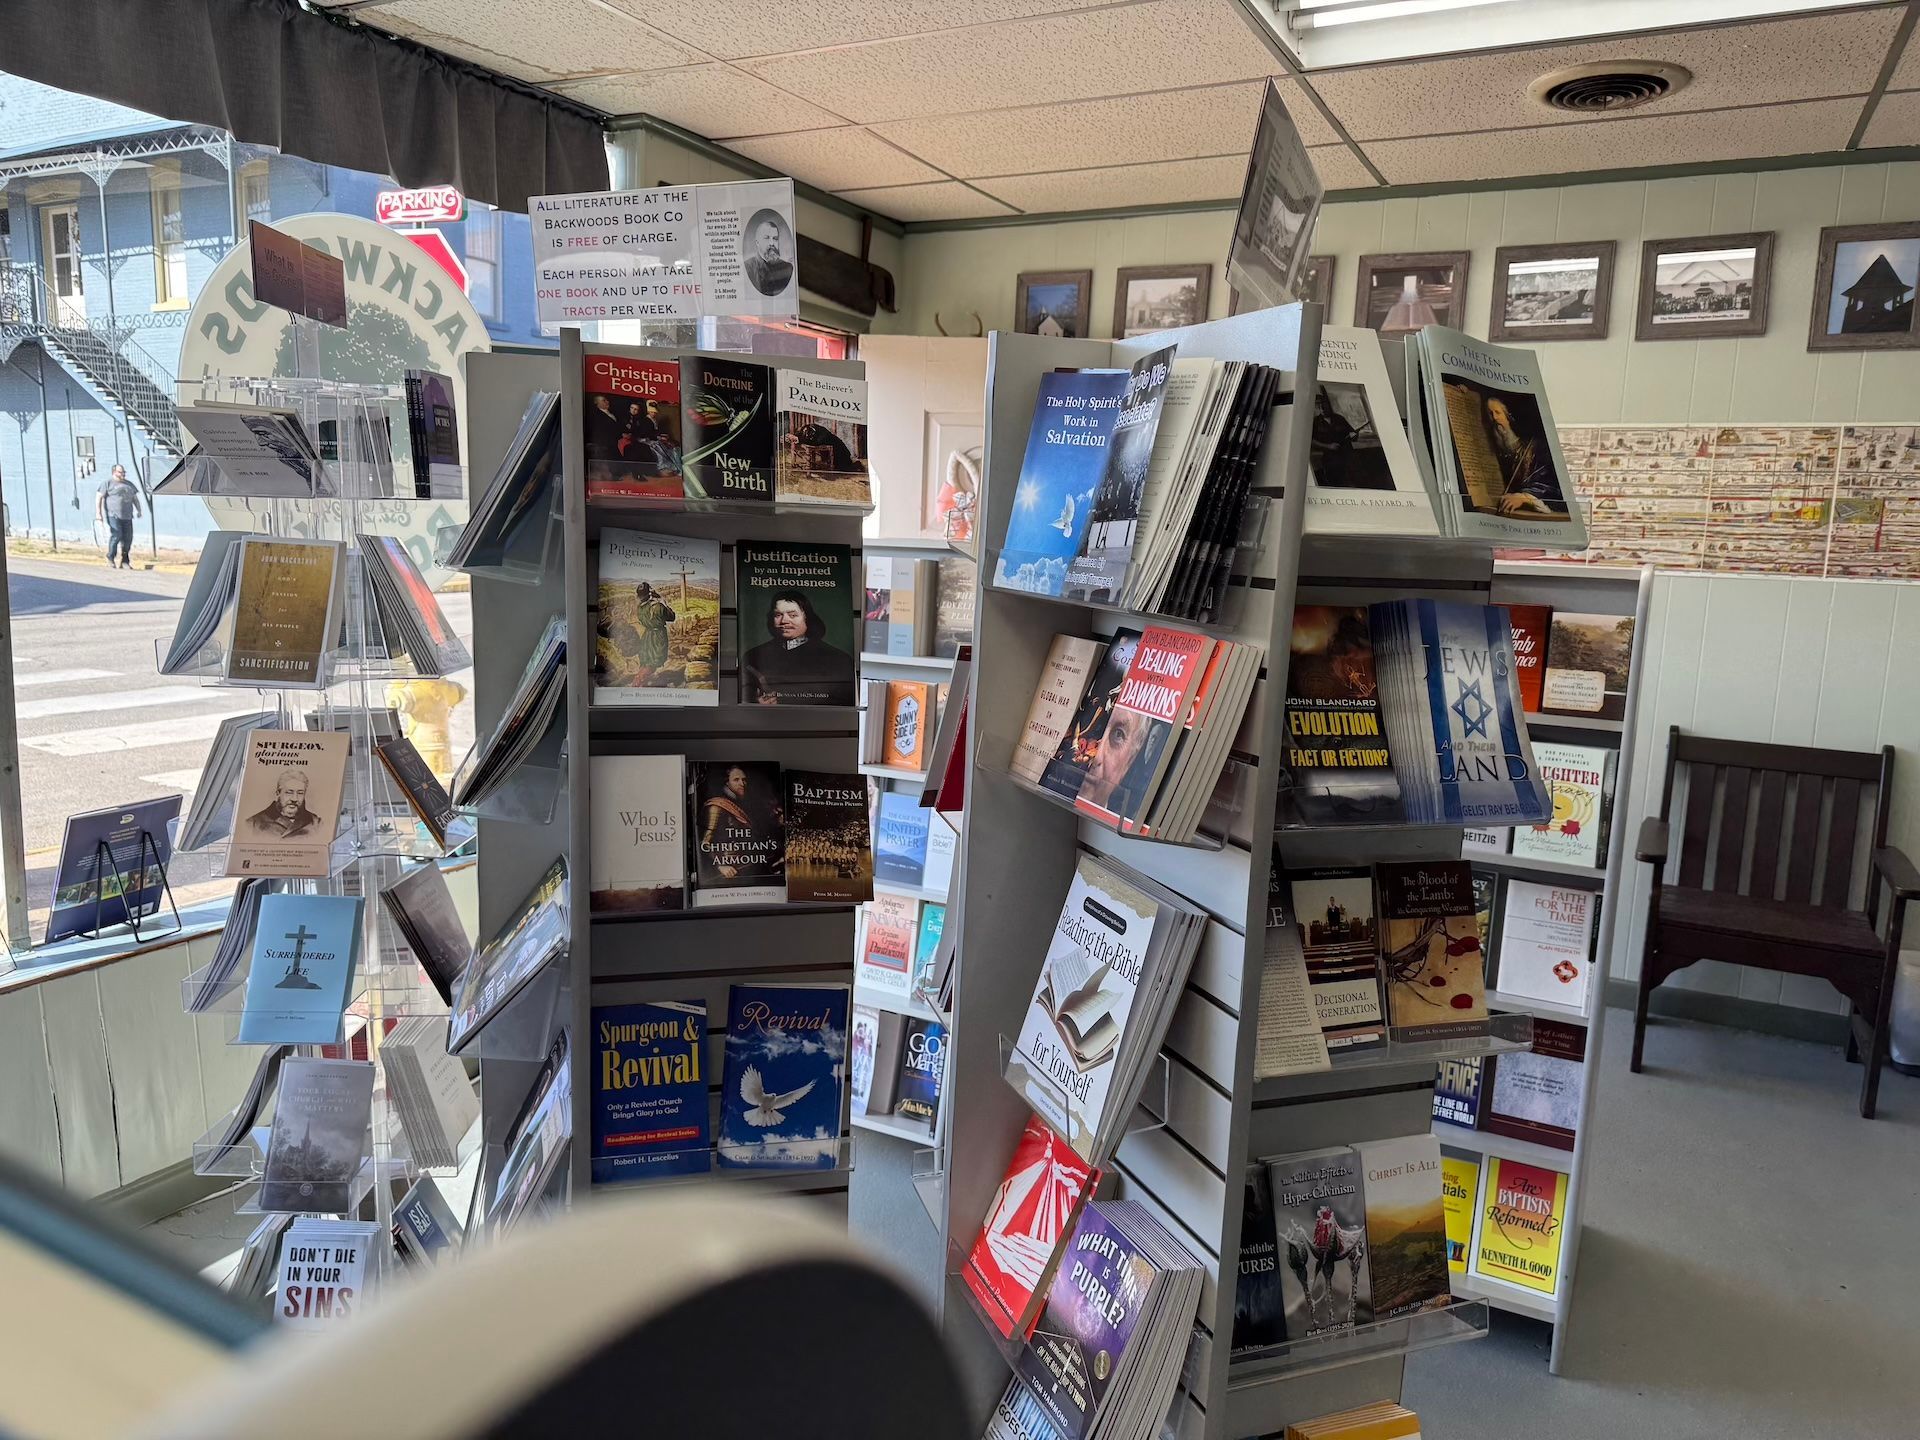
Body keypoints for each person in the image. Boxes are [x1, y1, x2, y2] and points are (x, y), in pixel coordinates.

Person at [743, 589, 854, 706]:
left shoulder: (839, 659)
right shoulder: (753, 656)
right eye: (778, 615)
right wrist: (756, 704)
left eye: (793, 615)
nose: (784, 621)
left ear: (807, 618)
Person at [1484, 396, 1561, 516]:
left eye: (1498, 412)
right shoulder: (1495, 450)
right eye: (1490, 413)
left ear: (1509, 417)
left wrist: (1524, 497)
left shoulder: (1535, 447)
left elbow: (1547, 484)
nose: (1494, 418)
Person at [245, 770, 323, 840]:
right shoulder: (253, 823)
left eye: (300, 793)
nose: (294, 799)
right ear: (278, 793)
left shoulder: (316, 823)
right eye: (289, 792)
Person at [95, 465, 142, 569]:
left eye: (124, 472)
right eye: (120, 472)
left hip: (127, 516)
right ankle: (110, 558)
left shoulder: (129, 485)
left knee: (128, 539)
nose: (123, 474)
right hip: (113, 515)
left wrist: (139, 510)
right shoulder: (107, 483)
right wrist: (98, 513)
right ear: (114, 472)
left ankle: (125, 561)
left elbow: (135, 499)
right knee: (116, 535)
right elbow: (99, 497)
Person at [743, 213, 793, 296]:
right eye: (766, 238)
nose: (771, 243)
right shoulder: (747, 268)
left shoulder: (788, 268)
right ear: (757, 243)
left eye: (775, 239)